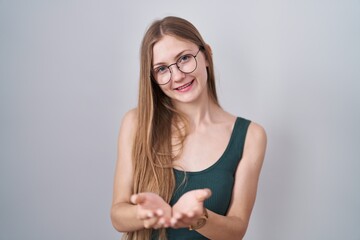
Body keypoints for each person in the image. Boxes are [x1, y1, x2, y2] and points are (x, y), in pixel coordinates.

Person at [110, 16, 267, 240]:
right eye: (162, 69)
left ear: (207, 56)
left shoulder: (251, 135)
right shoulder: (136, 123)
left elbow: (236, 230)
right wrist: (145, 213)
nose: (177, 76)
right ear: (153, 78)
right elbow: (118, 215)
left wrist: (198, 218)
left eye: (184, 58)